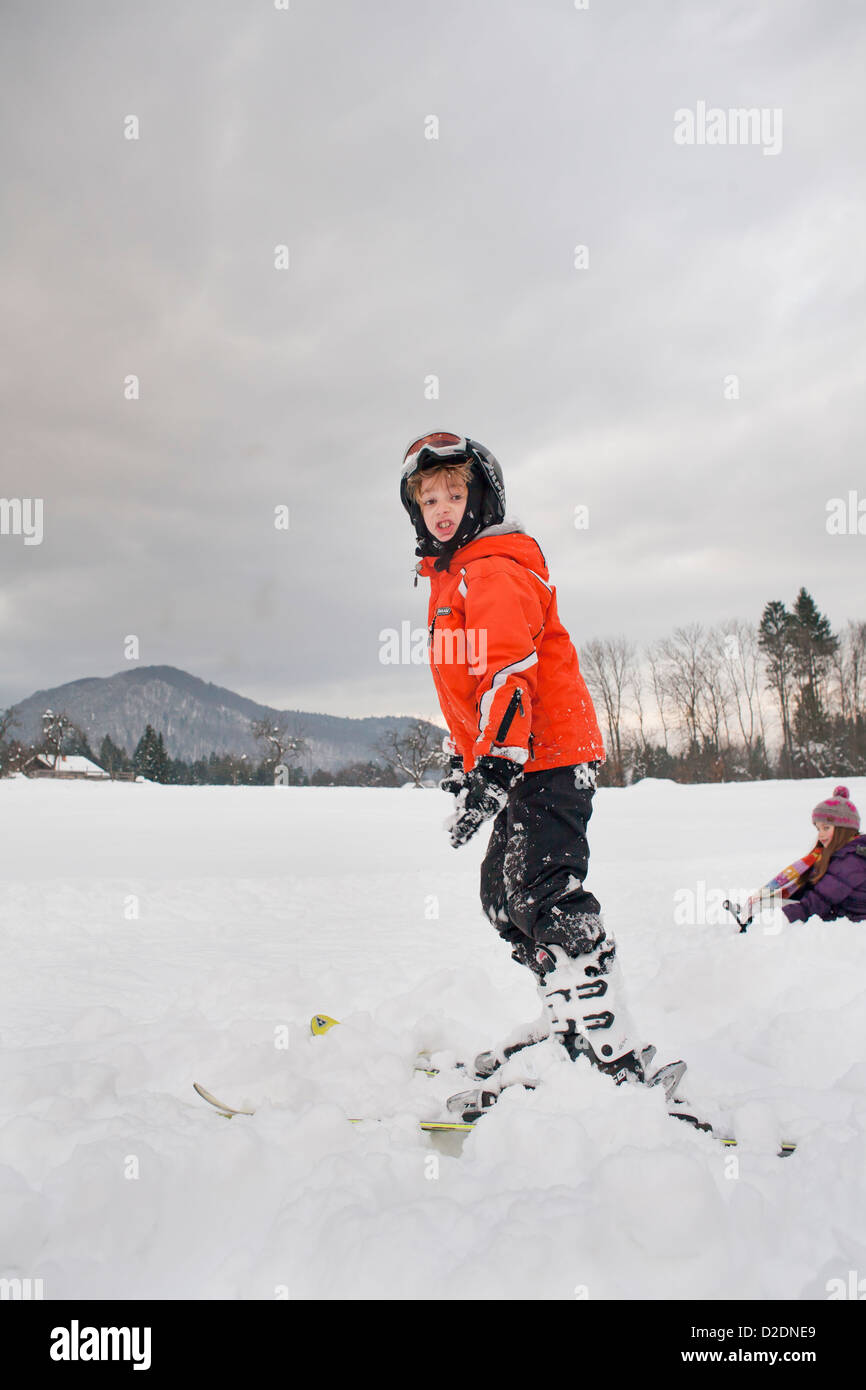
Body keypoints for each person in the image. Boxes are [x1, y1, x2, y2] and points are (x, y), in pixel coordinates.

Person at [400, 431, 687, 1118]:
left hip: (547, 756)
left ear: (482, 498)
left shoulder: (493, 568)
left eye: (455, 494)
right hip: (522, 756)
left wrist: (496, 763)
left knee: (544, 891)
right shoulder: (454, 576)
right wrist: (467, 762)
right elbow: (475, 690)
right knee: (505, 900)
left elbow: (509, 673)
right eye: (429, 498)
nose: (442, 508)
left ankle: (613, 1056)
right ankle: (568, 1031)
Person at [781, 786, 866, 924]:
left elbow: (818, 901)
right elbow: (813, 890)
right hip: (839, 915)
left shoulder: (851, 861)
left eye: (826, 828)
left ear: (843, 830)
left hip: (855, 927)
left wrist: (779, 918)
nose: (820, 834)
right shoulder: (840, 854)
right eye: (818, 828)